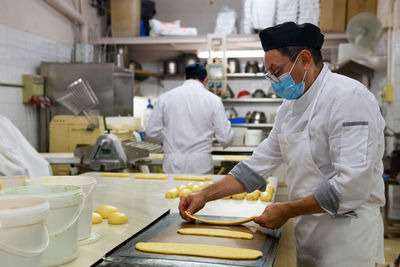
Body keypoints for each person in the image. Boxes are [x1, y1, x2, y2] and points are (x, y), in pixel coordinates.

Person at [179, 22, 385, 266]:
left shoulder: (349, 98)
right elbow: (257, 166)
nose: (274, 81)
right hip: (308, 230)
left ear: (305, 59)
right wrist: (204, 195)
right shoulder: (289, 108)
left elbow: (351, 186)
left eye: (276, 72)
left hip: (347, 238)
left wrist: (287, 209)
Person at [146, 63, 234, 174]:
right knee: (200, 191)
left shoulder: (165, 98)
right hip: (201, 164)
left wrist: (169, 140)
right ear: (205, 80)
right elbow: (226, 138)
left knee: (173, 191)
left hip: (173, 163)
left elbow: (151, 133)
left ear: (184, 78)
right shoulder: (213, 100)